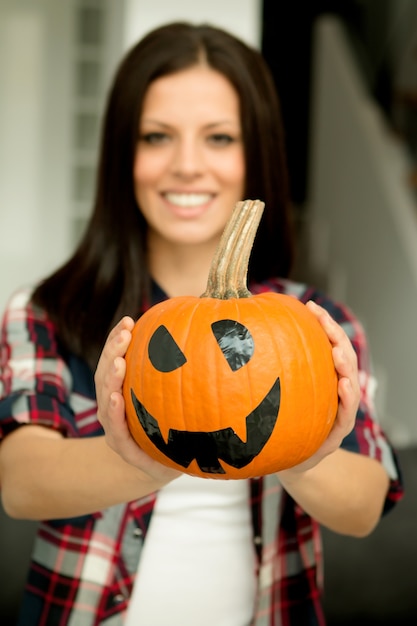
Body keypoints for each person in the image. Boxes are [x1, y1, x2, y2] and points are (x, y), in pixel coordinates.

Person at [0, 21, 403, 626]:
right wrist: (137, 456)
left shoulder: (318, 323)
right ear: (122, 154)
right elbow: (21, 483)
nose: (187, 166)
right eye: (157, 136)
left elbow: (365, 504)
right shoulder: (47, 308)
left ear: (256, 153)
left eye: (219, 138)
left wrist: (302, 453)